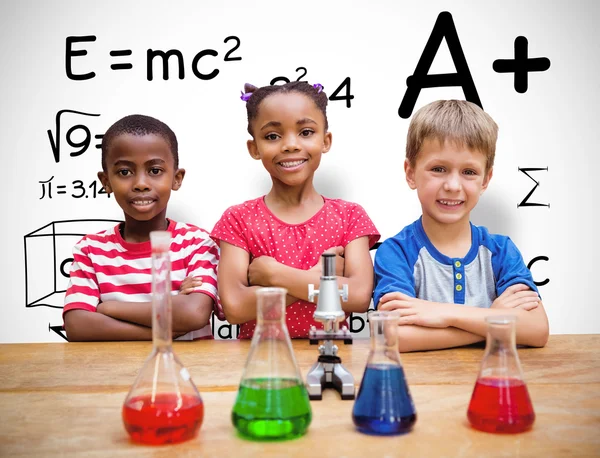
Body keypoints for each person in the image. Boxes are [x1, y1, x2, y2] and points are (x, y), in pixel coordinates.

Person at [373, 100, 549, 352]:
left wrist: (443, 314)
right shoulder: (395, 252)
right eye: (438, 169)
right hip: (422, 389)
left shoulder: (501, 251)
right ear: (410, 173)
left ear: (486, 179)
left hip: (491, 386)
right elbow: (391, 337)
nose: (453, 185)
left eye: (469, 172)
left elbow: (536, 330)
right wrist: (493, 321)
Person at [211, 81, 380, 338]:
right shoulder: (238, 219)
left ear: (326, 140)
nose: (290, 145)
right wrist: (321, 278)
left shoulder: (350, 217)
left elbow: (357, 296)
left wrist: (274, 274)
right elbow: (235, 307)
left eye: (305, 132)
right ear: (254, 148)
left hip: (332, 362)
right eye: (272, 136)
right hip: (260, 366)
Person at [63, 114, 219, 341]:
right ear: (106, 182)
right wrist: (166, 326)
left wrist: (109, 308)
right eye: (124, 172)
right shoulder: (90, 249)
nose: (141, 184)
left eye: (155, 171)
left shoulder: (196, 243)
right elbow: (77, 325)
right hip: (114, 374)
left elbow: (193, 313)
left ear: (176, 178)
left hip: (188, 372)